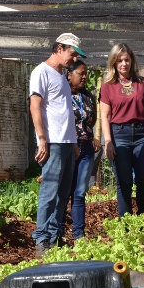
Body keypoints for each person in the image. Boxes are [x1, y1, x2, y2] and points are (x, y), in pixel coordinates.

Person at [29, 33, 86, 256]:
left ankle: (54, 238)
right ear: (60, 48)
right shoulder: (41, 72)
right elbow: (35, 107)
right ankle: (41, 240)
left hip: (66, 142)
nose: (74, 60)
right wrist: (42, 139)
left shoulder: (61, 76)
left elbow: (65, 112)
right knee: (49, 192)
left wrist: (72, 141)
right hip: (52, 142)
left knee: (63, 194)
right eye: (72, 55)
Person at [99, 43, 144, 217]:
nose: (124, 64)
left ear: (132, 60)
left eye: (126, 59)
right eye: (119, 60)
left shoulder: (141, 83)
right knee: (124, 182)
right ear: (114, 63)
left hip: (142, 134)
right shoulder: (107, 87)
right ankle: (125, 223)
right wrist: (108, 141)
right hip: (119, 135)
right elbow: (104, 116)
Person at [65, 58, 101, 240]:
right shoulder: (62, 95)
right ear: (69, 75)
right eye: (81, 73)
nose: (85, 77)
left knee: (79, 192)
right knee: (64, 190)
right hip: (68, 147)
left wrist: (93, 137)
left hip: (86, 148)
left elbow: (89, 121)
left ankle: (79, 235)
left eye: (85, 73)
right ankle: (58, 233)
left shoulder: (87, 97)